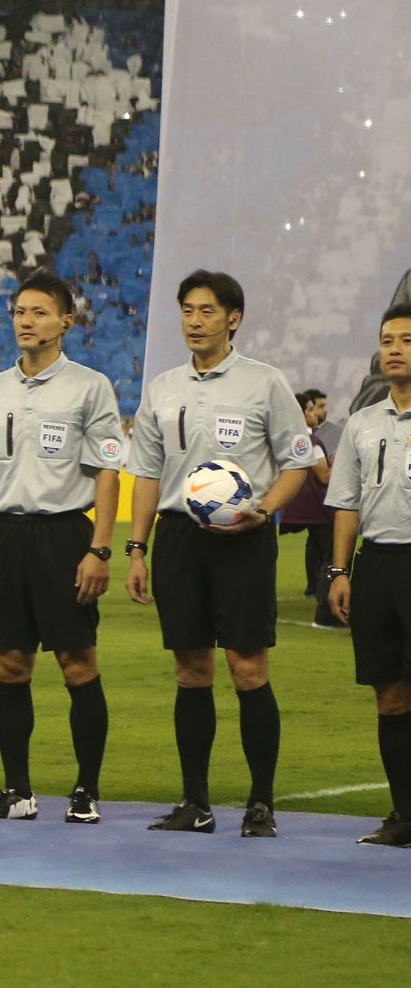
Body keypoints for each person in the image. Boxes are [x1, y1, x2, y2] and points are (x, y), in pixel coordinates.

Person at [125, 270, 311, 838]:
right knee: (190, 670)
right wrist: (137, 548)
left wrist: (265, 509)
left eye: (206, 311)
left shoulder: (265, 383)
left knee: (247, 668)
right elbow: (148, 473)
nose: (194, 321)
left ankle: (260, 803)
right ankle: (195, 802)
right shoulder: (162, 387)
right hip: (181, 538)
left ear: (233, 319)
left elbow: (298, 459)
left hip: (244, 540)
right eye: (186, 310)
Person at [0, 271, 123, 824]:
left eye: (39, 312)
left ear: (65, 322)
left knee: (78, 664)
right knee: (9, 665)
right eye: (19, 312)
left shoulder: (90, 386)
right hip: (7, 538)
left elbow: (106, 470)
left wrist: (100, 549)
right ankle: (17, 790)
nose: (26, 321)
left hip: (64, 535)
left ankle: (86, 790)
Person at [322, 303, 411, 847]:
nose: (395, 347)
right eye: (388, 339)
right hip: (377, 565)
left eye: (406, 338)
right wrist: (338, 570)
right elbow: (346, 504)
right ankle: (403, 815)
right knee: (391, 695)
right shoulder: (363, 422)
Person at [280, 389, 337, 629]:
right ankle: (326, 612)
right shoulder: (311, 441)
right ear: (301, 412)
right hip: (317, 505)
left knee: (315, 545)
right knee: (332, 555)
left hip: (294, 505)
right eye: (311, 409)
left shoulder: (288, 438)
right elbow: (323, 476)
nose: (315, 413)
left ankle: (312, 588)